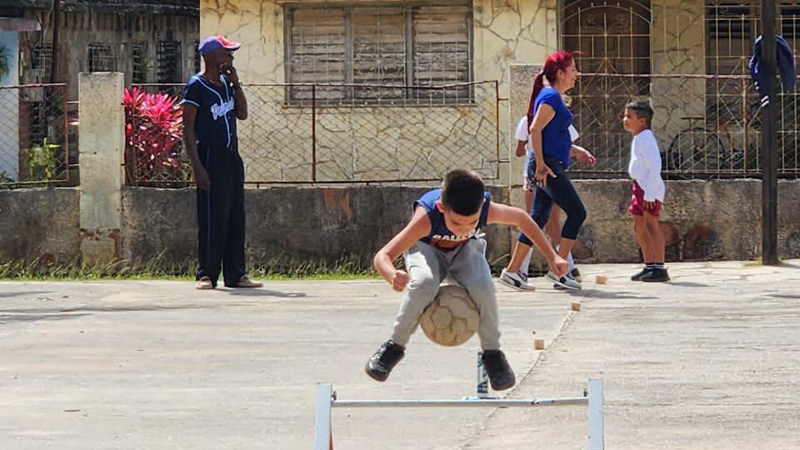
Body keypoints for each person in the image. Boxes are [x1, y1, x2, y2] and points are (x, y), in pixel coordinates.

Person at [365, 169, 569, 391]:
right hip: (427, 249)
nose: (464, 228)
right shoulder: (426, 217)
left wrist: (552, 256)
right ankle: (393, 347)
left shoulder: (485, 209)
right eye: (456, 223)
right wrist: (391, 274)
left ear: (481, 206)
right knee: (424, 283)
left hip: (465, 250)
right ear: (442, 208)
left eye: (471, 223)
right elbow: (382, 256)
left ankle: (493, 355)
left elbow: (523, 219)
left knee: (483, 287)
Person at [501, 51, 595, 291]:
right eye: (573, 69)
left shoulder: (553, 97)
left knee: (538, 219)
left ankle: (513, 272)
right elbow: (535, 130)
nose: (577, 74)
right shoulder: (551, 97)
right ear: (560, 73)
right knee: (577, 212)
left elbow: (553, 135)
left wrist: (575, 150)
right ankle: (559, 269)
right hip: (548, 166)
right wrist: (541, 165)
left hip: (550, 163)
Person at [182, 35, 262, 290]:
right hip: (209, 156)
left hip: (230, 156)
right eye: (226, 53)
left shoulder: (228, 85)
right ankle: (206, 274)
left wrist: (236, 84)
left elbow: (242, 114)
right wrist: (197, 167)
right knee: (212, 217)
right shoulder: (197, 85)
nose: (230, 58)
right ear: (212, 56)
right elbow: (188, 128)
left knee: (235, 215)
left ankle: (236, 274)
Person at [512, 116, 583, 286]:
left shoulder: (553, 119)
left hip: (545, 171)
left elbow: (520, 150)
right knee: (538, 221)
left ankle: (562, 267)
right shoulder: (531, 120)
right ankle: (523, 268)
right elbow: (520, 150)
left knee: (541, 221)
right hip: (541, 170)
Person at [623, 101, 670, 282]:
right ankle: (649, 264)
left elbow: (654, 166)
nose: (625, 120)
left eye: (630, 117)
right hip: (640, 186)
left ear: (642, 121)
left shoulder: (647, 138)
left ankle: (659, 267)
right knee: (639, 225)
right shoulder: (639, 138)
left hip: (648, 188)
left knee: (651, 225)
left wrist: (650, 193)